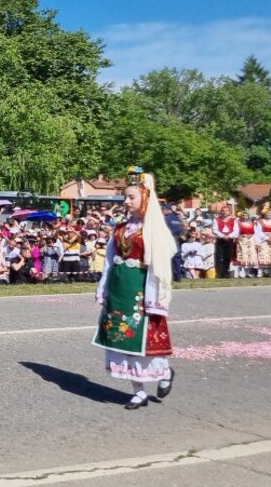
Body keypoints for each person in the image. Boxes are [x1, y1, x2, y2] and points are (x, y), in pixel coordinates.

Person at [93, 167, 176, 410]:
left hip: (141, 289)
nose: (126, 202)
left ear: (145, 199)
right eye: (125, 197)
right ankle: (138, 391)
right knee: (122, 340)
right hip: (120, 289)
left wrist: (154, 299)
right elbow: (109, 260)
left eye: (131, 197)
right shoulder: (120, 228)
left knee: (144, 341)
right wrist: (103, 288)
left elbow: (158, 266)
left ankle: (164, 372)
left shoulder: (153, 230)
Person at [213, 204, 237, 278]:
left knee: (228, 257)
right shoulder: (216, 220)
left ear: (229, 212)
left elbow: (236, 230)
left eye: (226, 211)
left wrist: (229, 236)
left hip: (229, 240)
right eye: (223, 211)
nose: (224, 212)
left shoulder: (233, 220)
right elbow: (215, 230)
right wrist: (223, 236)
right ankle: (219, 273)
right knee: (218, 257)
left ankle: (225, 273)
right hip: (220, 240)